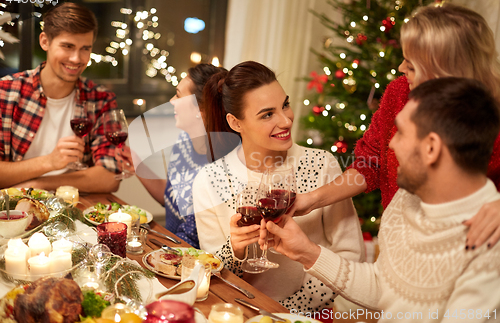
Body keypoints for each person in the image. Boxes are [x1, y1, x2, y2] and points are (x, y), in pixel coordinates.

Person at [262, 77, 500, 322]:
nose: (391, 144)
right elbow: (385, 285)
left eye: (402, 133)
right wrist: (306, 252)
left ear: (431, 148)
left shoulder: (489, 243)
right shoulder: (406, 199)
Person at [290, 3, 500, 249]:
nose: (401, 69)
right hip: (399, 246)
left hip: (465, 250)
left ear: (444, 73)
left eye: (411, 65)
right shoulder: (400, 92)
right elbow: (370, 163)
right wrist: (312, 200)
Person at [193, 61, 364, 312]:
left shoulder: (321, 164)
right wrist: (235, 250)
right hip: (239, 312)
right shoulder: (210, 179)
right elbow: (213, 271)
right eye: (267, 114)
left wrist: (291, 309)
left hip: (311, 314)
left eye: (285, 104)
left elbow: (351, 253)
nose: (286, 121)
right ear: (235, 123)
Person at [0, 2, 119, 192]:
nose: (76, 59)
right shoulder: (5, 92)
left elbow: (110, 176)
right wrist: (49, 162)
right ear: (45, 41)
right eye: (67, 46)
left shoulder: (100, 99)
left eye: (85, 49)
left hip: (75, 212)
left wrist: (37, 185)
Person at [115, 64, 228, 247]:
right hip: (170, 241)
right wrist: (136, 163)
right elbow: (170, 198)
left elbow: (192, 240)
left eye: (178, 95)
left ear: (201, 110)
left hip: (189, 257)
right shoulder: (184, 141)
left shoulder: (219, 166)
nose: (172, 100)